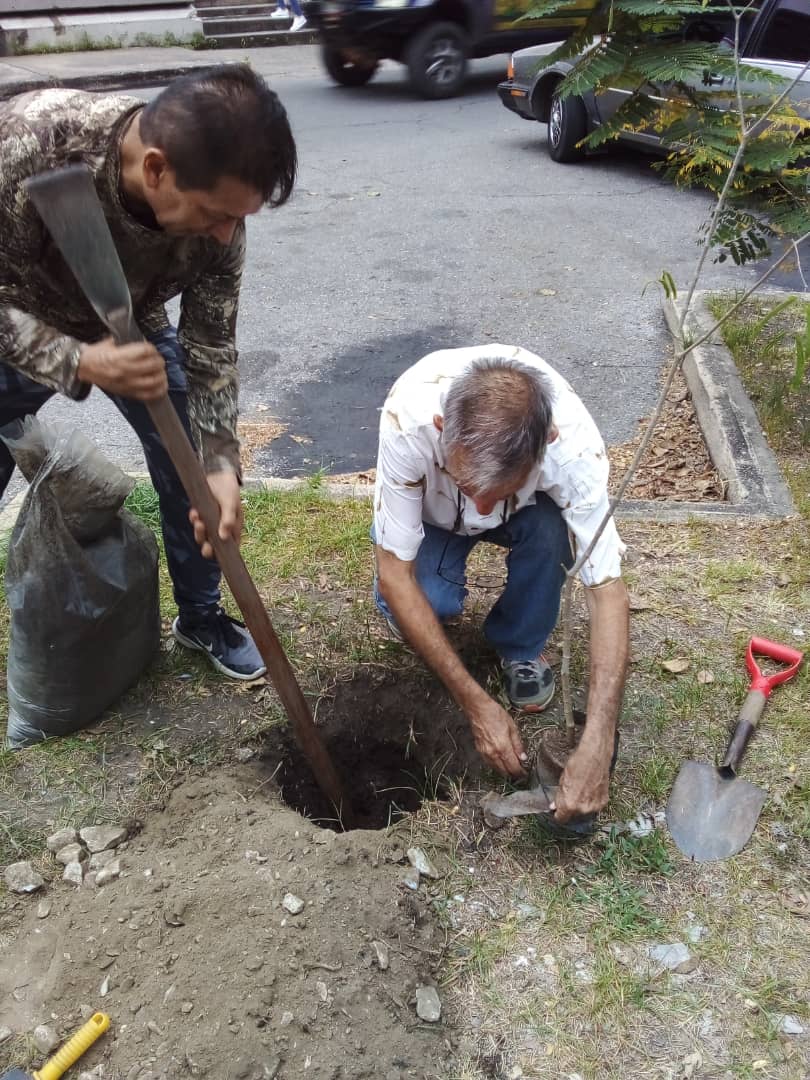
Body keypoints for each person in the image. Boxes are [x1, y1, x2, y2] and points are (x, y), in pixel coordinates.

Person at [0, 65, 297, 680]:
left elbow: (211, 344)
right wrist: (75, 359)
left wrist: (218, 463)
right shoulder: (31, 146)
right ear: (156, 169)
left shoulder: (223, 225)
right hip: (19, 321)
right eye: (215, 213)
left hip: (128, 322)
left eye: (240, 218)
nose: (227, 234)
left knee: (190, 459)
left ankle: (201, 615)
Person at [372, 344, 630, 825]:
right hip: (435, 519)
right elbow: (394, 573)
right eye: (471, 487)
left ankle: (520, 645)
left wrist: (599, 740)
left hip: (530, 518)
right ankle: (450, 564)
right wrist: (474, 702)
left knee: (550, 528)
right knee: (423, 602)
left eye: (503, 491)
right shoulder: (407, 420)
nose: (484, 512)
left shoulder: (573, 449)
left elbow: (607, 589)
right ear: (441, 431)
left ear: (546, 441)